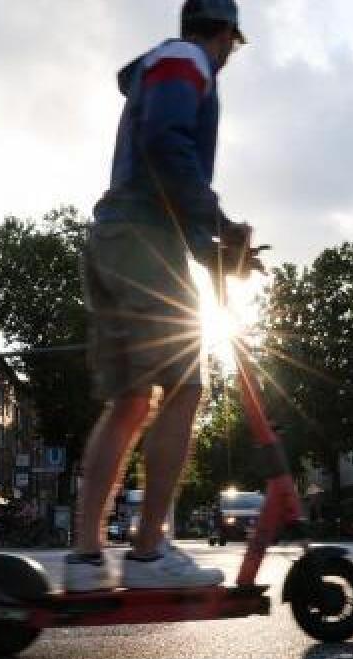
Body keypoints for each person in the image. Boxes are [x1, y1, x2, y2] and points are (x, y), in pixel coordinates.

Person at [66, 0, 248, 593]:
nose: (227, 58)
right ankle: (146, 555)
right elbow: (168, 145)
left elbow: (165, 167)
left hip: (118, 237)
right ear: (225, 36)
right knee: (185, 387)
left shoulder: (165, 63)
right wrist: (217, 222)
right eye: (233, 48)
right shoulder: (186, 59)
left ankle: (86, 560)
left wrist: (214, 247)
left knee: (128, 404)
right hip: (143, 240)